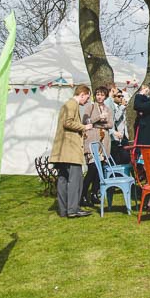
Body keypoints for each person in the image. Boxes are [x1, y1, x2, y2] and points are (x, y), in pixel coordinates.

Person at [50, 85, 94, 218]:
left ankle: (64, 210)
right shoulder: (72, 105)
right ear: (82, 94)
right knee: (76, 180)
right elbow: (68, 122)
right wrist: (84, 127)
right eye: (87, 97)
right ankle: (73, 209)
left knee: (63, 179)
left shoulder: (66, 104)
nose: (87, 101)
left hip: (62, 150)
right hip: (70, 149)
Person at [81, 86, 115, 207]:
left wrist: (99, 124)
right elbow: (85, 121)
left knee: (99, 169)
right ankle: (83, 194)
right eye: (98, 94)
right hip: (92, 139)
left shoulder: (108, 109)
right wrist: (98, 118)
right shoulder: (90, 106)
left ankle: (94, 193)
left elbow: (111, 124)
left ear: (105, 96)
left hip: (103, 141)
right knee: (92, 168)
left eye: (102, 94)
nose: (99, 96)